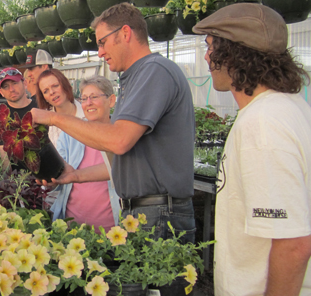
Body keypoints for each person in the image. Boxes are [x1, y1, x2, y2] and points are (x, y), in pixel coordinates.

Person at [30, 3, 196, 243]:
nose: (99, 52)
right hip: (145, 210)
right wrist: (74, 175)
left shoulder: (154, 71)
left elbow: (118, 141)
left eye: (102, 42)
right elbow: (119, 159)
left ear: (125, 33)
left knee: (155, 282)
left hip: (158, 212)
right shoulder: (138, 76)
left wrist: (53, 117)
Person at [193, 4, 311, 296]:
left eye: (211, 46)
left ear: (234, 53)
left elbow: (294, 245)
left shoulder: (262, 123)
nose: (207, 57)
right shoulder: (296, 109)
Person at [51, 75, 121, 233]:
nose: (88, 103)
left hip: (113, 232)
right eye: (83, 98)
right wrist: (52, 180)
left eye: (94, 97)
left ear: (111, 100)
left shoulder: (121, 136)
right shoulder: (70, 134)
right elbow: (59, 170)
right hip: (73, 230)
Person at [0, 67, 38, 171]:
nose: (11, 89)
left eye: (14, 83)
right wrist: (9, 181)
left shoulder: (39, 108)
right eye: (6, 86)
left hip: (45, 174)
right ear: (1, 92)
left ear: (24, 83)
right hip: (18, 178)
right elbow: (2, 150)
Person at [35, 69, 84, 147]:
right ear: (44, 98)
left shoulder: (87, 113)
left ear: (65, 85)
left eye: (55, 86)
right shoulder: (43, 122)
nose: (51, 92)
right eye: (46, 91)